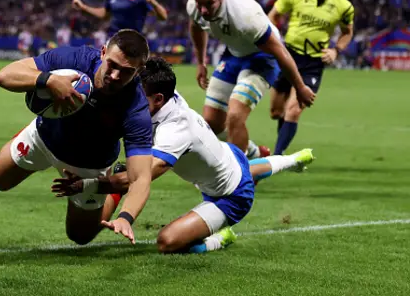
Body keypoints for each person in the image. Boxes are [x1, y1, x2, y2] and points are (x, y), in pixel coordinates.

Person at [52, 57, 316, 254]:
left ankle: (219, 239)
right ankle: (293, 159)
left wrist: (85, 183)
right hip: (226, 154)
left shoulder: (175, 130)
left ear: (158, 99)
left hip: (228, 197)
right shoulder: (162, 93)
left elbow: (139, 178)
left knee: (167, 242)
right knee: (243, 168)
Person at [0, 29, 154, 245]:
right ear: (103, 52)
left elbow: (140, 177)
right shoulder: (76, 59)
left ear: (139, 70)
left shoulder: (136, 109)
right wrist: (48, 80)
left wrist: (126, 217)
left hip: (88, 166)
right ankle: (26, 134)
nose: (114, 76)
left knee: (80, 236)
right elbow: (4, 76)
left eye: (126, 71)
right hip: (43, 137)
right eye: (112, 65)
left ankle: (110, 194)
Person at [186, 0, 316, 158]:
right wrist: (200, 62)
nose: (203, 10)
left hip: (261, 58)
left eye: (209, 4)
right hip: (234, 53)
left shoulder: (245, 17)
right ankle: (256, 156)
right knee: (212, 122)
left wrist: (300, 86)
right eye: (200, 3)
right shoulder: (194, 4)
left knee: (235, 116)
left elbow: (280, 51)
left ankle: (241, 180)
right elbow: (196, 27)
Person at [267, 0, 354, 154]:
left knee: (294, 110)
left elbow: (347, 32)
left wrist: (336, 50)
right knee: (275, 111)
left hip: (313, 62)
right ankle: (280, 146)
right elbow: (272, 15)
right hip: (287, 55)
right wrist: (275, 40)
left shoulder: (344, 6)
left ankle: (276, 157)